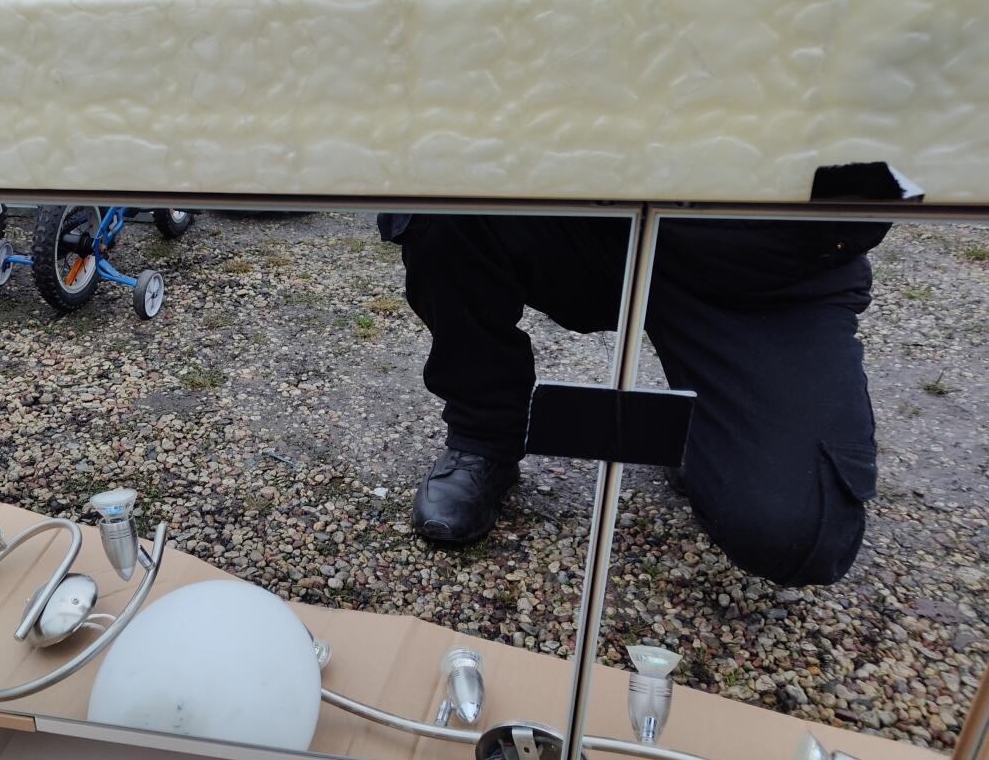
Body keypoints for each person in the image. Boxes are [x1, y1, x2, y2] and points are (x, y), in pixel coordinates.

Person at [380, 212, 889, 588]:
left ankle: (704, 434)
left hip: (761, 273)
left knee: (793, 535)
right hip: (598, 228)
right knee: (444, 205)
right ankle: (484, 438)